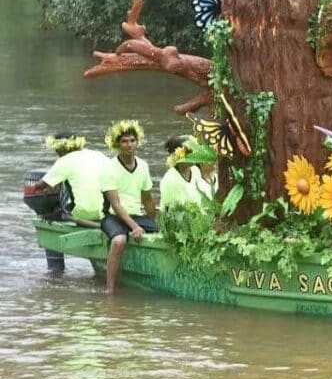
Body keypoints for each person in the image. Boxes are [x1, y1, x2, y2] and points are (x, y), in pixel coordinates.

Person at [33, 132, 108, 273]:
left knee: (53, 211)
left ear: (60, 149)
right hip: (111, 211)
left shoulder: (64, 160)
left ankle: (56, 272)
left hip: (85, 214)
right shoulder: (98, 155)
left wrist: (45, 187)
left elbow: (39, 186)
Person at [99, 120, 158, 293]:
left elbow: (147, 200)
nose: (129, 145)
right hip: (113, 216)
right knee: (119, 240)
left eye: (132, 140)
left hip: (135, 215)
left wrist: (152, 223)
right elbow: (115, 204)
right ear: (117, 144)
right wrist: (135, 227)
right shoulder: (109, 168)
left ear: (137, 142)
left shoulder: (143, 166)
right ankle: (109, 289)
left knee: (161, 235)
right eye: (124, 141)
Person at [159, 136, 205, 209]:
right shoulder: (169, 179)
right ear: (179, 155)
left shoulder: (195, 170)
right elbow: (176, 210)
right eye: (190, 151)